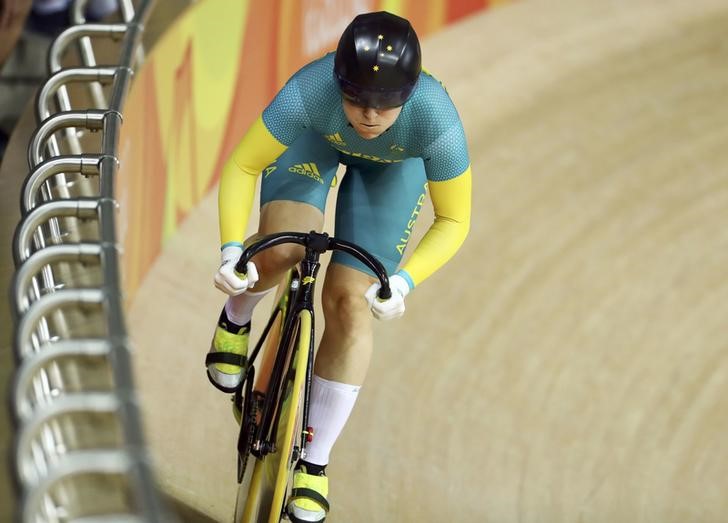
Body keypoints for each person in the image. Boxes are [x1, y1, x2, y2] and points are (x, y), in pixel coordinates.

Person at [206, 11, 471, 522]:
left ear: (410, 94)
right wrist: (230, 249)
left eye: (386, 103)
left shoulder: (437, 119)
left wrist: (404, 280)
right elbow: (243, 163)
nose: (370, 115)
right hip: (316, 143)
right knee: (282, 247)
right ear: (338, 83)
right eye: (357, 98)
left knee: (350, 303)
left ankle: (315, 462)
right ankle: (235, 318)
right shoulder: (311, 89)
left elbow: (455, 219)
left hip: (393, 173)